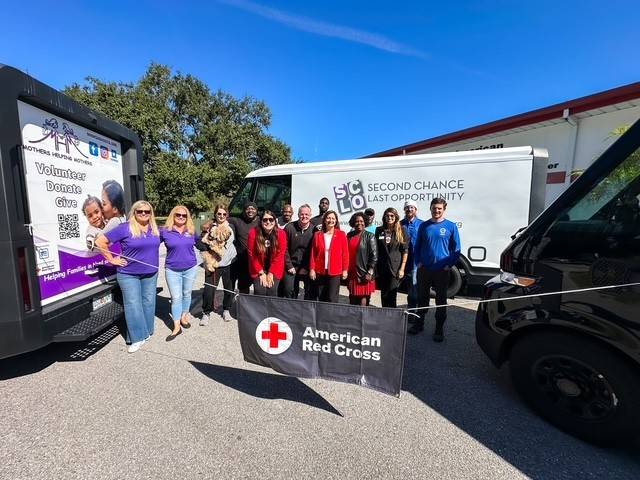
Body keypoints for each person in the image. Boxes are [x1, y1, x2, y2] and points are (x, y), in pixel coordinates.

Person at [95, 200, 160, 353]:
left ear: (151, 213)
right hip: (128, 274)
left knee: (149, 302)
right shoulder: (125, 228)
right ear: (134, 212)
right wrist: (111, 259)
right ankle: (137, 338)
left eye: (147, 211)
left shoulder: (155, 229)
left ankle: (147, 332)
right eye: (140, 211)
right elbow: (100, 242)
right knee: (132, 304)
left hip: (151, 273)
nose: (143, 214)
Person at [409, 198, 461, 341]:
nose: (436, 211)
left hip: (441, 270)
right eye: (434, 208)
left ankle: (439, 329)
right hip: (424, 269)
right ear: (430, 208)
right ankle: (419, 324)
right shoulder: (424, 226)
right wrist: (418, 262)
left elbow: (456, 249)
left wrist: (448, 265)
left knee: (441, 299)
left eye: (439, 208)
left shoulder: (451, 226)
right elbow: (417, 246)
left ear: (444, 209)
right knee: (422, 298)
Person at [160, 205, 198, 341]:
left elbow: (201, 245)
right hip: (172, 269)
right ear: (173, 216)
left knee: (187, 293)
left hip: (190, 267)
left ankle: (184, 316)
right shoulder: (165, 231)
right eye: (178, 215)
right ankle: (176, 327)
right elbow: (151, 244)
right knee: (176, 297)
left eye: (184, 215)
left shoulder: (192, 230)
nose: (181, 217)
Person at [197, 204, 237, 324]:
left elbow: (231, 242)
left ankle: (226, 309)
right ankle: (206, 312)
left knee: (229, 289)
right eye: (219, 213)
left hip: (228, 262)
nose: (221, 216)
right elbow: (201, 243)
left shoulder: (231, 227)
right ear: (215, 214)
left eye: (224, 214)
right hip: (212, 263)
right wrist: (209, 245)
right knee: (209, 289)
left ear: (227, 215)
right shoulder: (209, 226)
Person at [309, 210, 349, 303]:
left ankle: (331, 317)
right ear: (324, 220)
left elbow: (345, 254)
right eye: (328, 218)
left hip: (335, 271)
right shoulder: (317, 235)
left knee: (332, 298)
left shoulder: (341, 234)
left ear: (336, 221)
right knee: (321, 297)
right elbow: (313, 253)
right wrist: (312, 269)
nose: (331, 220)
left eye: (333, 218)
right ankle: (322, 317)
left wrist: (345, 270)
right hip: (320, 271)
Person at [247, 210, 287, 296]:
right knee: (260, 290)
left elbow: (280, 255)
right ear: (261, 221)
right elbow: (252, 255)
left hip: (275, 267)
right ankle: (259, 309)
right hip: (258, 267)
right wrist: (261, 273)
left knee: (271, 290)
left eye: (271, 219)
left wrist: (271, 273)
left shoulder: (281, 234)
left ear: (274, 221)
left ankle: (271, 309)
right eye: (265, 220)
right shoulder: (253, 233)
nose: (268, 222)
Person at [375, 207, 409, 308]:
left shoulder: (401, 230)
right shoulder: (379, 230)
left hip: (395, 267)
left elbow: (405, 250)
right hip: (383, 267)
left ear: (396, 217)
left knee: (392, 294)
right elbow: (377, 248)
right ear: (384, 217)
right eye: (387, 216)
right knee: (384, 294)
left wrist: (402, 268)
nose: (389, 217)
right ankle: (384, 315)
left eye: (392, 216)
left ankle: (392, 317)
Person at [282, 204, 315, 299]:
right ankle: (291, 310)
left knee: (310, 291)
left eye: (307, 214)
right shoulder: (289, 227)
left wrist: (306, 267)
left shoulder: (314, 230)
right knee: (289, 290)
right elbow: (284, 248)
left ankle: (306, 310)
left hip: (307, 266)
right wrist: (289, 266)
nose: (304, 216)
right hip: (291, 265)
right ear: (298, 214)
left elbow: (314, 251)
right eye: (302, 214)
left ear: (310, 215)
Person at [346, 212, 377, 306]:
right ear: (353, 223)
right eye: (357, 221)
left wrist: (370, 272)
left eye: (361, 221)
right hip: (352, 273)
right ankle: (353, 320)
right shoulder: (349, 235)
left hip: (364, 273)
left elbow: (374, 256)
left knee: (363, 300)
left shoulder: (370, 236)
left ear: (365, 222)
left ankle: (363, 320)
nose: (359, 223)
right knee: (352, 298)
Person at [229, 201, 259, 294]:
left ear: (256, 211)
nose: (250, 210)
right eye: (248, 208)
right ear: (244, 211)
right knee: (243, 286)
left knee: (259, 287)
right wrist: (208, 224)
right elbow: (221, 219)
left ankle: (258, 307)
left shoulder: (261, 221)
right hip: (242, 261)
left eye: (253, 208)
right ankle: (244, 305)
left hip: (257, 261)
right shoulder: (237, 221)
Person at [400, 200, 423, 312]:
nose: (409, 209)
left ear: (416, 210)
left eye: (412, 207)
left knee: (414, 288)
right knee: (398, 286)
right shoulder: (400, 224)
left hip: (415, 261)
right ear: (404, 209)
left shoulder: (422, 224)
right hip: (401, 261)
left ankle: (412, 311)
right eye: (407, 207)